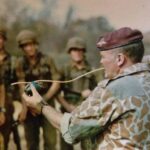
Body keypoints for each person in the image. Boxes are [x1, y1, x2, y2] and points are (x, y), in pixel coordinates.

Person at [23, 27, 150, 150]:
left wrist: (42, 106)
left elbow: (72, 129)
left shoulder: (113, 89)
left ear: (120, 59)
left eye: (103, 57)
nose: (101, 62)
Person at [16, 29, 60, 150]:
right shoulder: (20, 63)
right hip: (30, 104)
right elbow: (21, 86)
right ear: (22, 48)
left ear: (36, 44)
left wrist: (44, 100)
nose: (29, 48)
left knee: (50, 140)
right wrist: (26, 108)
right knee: (31, 142)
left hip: (47, 101)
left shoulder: (48, 60)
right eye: (25, 46)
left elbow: (56, 82)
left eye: (30, 44)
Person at [58, 37, 97, 150]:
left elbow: (102, 89)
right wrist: (68, 107)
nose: (77, 53)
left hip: (86, 113)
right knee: (66, 145)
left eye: (80, 50)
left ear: (84, 51)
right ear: (69, 52)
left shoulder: (92, 70)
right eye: (74, 50)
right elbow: (56, 92)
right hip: (67, 112)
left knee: (88, 146)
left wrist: (92, 93)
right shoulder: (64, 70)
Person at [0, 26, 20, 150]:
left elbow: (20, 83)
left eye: (0, 38)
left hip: (9, 102)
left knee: (7, 138)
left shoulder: (13, 61)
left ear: (4, 40)